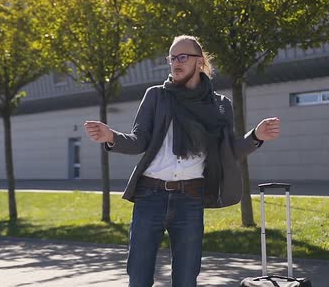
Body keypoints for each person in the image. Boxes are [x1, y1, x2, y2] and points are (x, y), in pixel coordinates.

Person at [84, 35, 280, 287]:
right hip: (149, 196)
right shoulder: (156, 96)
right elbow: (139, 140)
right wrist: (111, 136)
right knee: (139, 277)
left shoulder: (219, 105)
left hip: (190, 199)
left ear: (200, 62)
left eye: (182, 57)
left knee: (186, 279)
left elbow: (227, 151)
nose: (176, 62)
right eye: (172, 57)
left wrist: (255, 136)